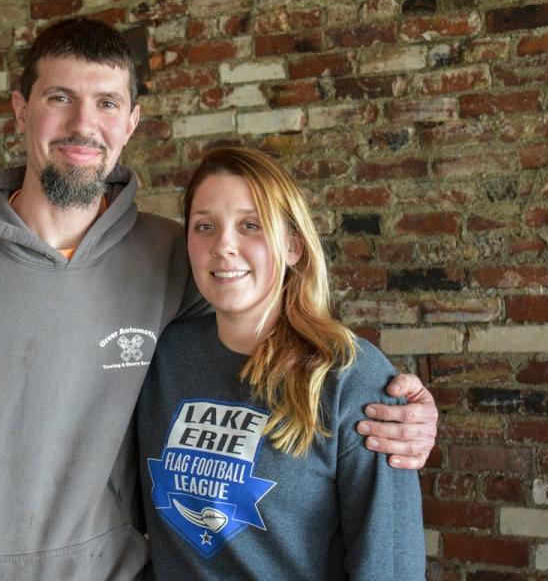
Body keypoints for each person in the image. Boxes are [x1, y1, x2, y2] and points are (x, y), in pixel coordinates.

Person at [0, 18, 436, 581]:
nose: (83, 124)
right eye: (58, 98)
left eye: (106, 103)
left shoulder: (172, 257)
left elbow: (269, 324)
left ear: (131, 121)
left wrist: (395, 408)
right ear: (21, 110)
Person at [137, 147, 425, 579]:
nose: (223, 247)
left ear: (292, 245)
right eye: (205, 227)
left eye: (250, 225)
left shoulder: (350, 376)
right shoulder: (160, 357)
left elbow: (391, 566)